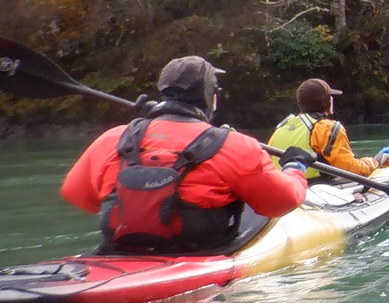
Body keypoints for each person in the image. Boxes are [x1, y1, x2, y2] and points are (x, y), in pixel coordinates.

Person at [60, 56, 312, 256]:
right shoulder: (236, 146)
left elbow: (77, 195)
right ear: (210, 96)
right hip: (200, 256)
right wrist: (294, 168)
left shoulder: (116, 137)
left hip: (119, 254)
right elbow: (282, 202)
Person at [268, 78, 389, 177]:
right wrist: (376, 161)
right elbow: (351, 169)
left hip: (288, 188)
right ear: (327, 102)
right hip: (319, 191)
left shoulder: (281, 127)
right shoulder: (326, 128)